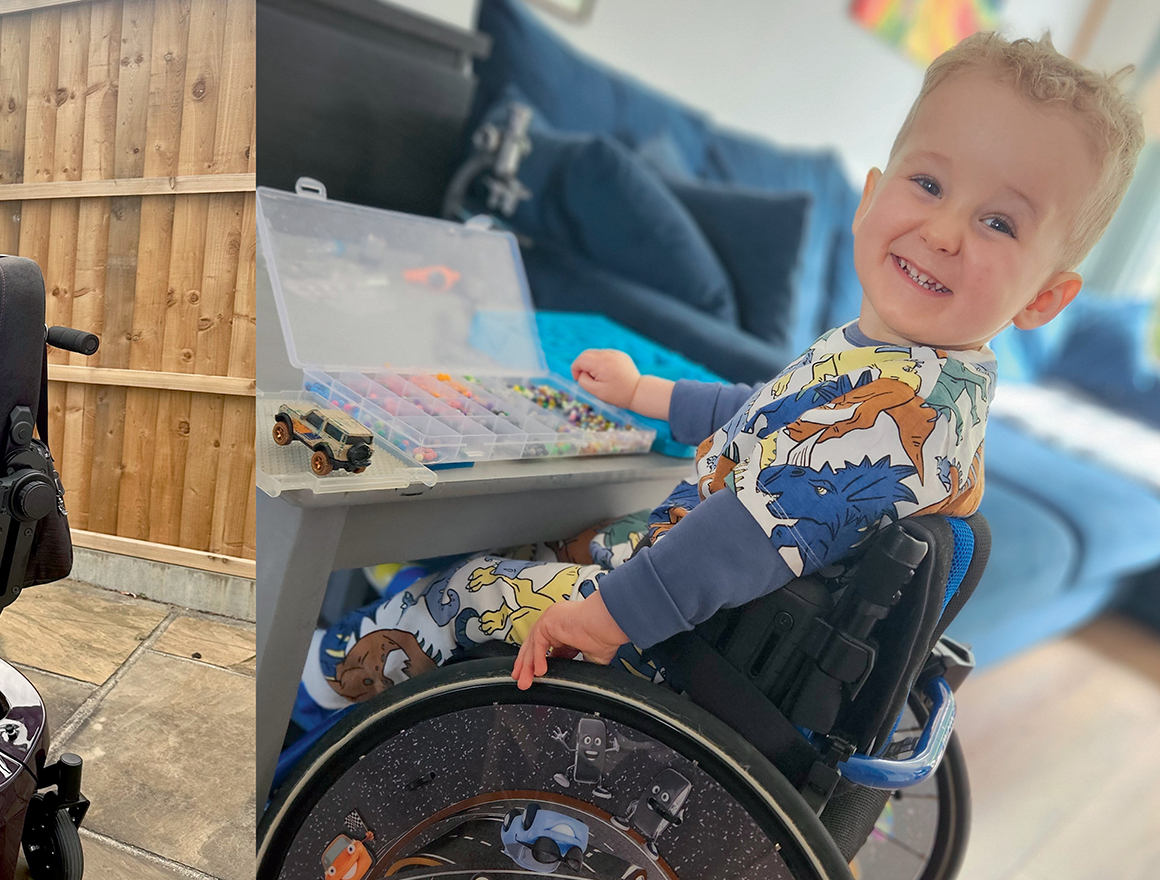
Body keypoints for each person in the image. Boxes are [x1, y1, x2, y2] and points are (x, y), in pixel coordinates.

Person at [296, 32, 1146, 721]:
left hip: (682, 639)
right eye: (929, 183)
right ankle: (392, 639)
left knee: (465, 587)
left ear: (1046, 297)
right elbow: (766, 415)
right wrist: (646, 395)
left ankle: (315, 692)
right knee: (510, 540)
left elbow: (746, 530)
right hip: (671, 573)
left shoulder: (915, 409)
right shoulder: (902, 366)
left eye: (999, 221)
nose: (945, 230)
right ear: (872, 194)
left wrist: (606, 616)